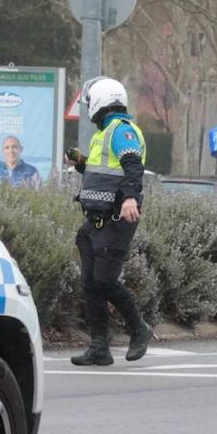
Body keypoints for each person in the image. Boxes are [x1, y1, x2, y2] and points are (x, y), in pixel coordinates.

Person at [65, 76, 153, 366]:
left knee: (104, 279)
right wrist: (80, 163)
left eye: (90, 102)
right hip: (94, 221)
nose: (89, 108)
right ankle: (99, 348)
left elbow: (132, 167)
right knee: (90, 283)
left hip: (117, 219)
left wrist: (130, 198)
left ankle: (139, 328)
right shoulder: (102, 134)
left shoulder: (122, 131)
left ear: (100, 102)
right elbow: (103, 172)